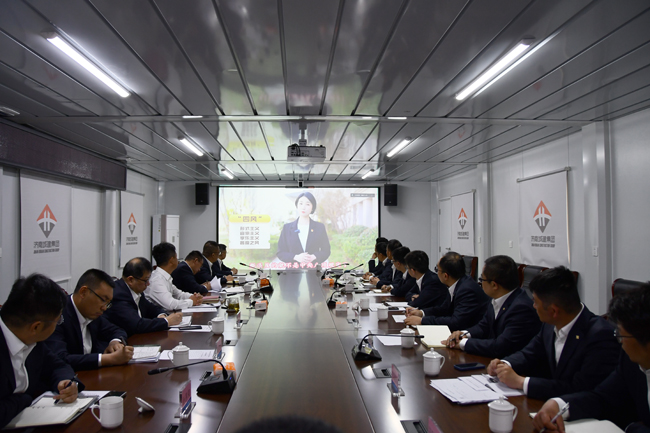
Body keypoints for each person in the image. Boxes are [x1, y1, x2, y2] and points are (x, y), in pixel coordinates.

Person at [486, 266, 620, 401]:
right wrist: (504, 364)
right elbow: (529, 353)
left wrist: (522, 382)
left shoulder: (600, 336)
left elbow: (580, 388)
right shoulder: (550, 324)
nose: (533, 306)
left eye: (535, 302)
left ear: (553, 311)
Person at [533, 284, 650, 433]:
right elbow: (602, 397)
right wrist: (557, 404)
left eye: (621, 335)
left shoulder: (601, 336)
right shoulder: (630, 362)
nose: (620, 342)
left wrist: (631, 427)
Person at [1, 274, 82, 428]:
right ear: (36, 327)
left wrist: (66, 382)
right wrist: (25, 399)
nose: (58, 324)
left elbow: (57, 365)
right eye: (58, 320)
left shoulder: (32, 341)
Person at [443, 255, 542, 359]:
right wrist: (463, 334)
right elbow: (483, 326)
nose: (480, 283)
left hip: (513, 364)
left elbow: (500, 347)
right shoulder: (497, 297)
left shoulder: (521, 308)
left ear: (494, 285)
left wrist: (463, 343)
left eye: (482, 279)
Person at [45, 269, 134, 371]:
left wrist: (115, 342)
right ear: (84, 292)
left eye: (108, 303)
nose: (104, 308)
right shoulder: (57, 316)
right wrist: (108, 359)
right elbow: (60, 358)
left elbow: (116, 330)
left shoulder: (92, 313)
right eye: (103, 300)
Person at [405, 252, 489, 331]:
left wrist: (422, 321)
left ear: (445, 276)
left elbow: (456, 322)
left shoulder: (466, 290)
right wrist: (422, 313)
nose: (436, 273)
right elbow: (444, 309)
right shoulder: (457, 284)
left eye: (437, 270)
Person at [103, 257, 183, 336]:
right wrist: (167, 321)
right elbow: (137, 325)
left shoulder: (136, 290)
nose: (148, 284)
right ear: (131, 280)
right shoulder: (118, 295)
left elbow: (151, 308)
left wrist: (161, 315)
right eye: (145, 280)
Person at [276, 192, 331, 264]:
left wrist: (314, 257)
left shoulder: (319, 227)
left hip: (313, 269)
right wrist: (295, 257)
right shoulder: (287, 228)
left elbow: (326, 251)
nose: (303, 207)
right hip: (292, 269)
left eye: (307, 204)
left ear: (312, 207)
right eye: (301, 203)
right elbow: (280, 252)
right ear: (297, 206)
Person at [145, 242, 203, 310]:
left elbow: (179, 294)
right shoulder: (156, 280)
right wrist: (191, 301)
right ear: (171, 260)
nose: (178, 261)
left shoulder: (165, 277)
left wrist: (194, 296)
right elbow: (171, 304)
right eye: (176, 257)